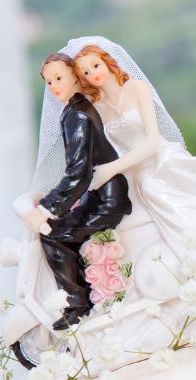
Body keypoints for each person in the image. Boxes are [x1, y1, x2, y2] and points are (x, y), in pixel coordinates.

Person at [64, 38, 196, 302]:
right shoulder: (97, 108)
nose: (94, 73)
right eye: (86, 73)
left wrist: (112, 168)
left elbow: (152, 141)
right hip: (132, 171)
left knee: (153, 188)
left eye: (95, 65)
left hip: (157, 159)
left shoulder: (136, 89)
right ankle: (194, 274)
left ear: (107, 61)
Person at [26, 53, 132, 330]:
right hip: (101, 192)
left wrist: (48, 208)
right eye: (48, 82)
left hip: (107, 199)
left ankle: (79, 303)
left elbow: (79, 172)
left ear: (75, 75)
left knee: (52, 235)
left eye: (58, 78)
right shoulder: (75, 109)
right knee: (55, 227)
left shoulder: (77, 115)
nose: (54, 86)